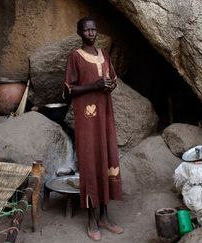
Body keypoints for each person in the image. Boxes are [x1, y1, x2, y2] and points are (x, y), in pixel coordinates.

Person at [64, 16, 123, 241]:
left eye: (94, 29)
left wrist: (109, 84)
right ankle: (90, 218)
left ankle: (104, 216)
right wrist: (94, 86)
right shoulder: (75, 57)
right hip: (87, 119)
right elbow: (70, 89)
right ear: (79, 33)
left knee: (107, 158)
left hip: (105, 115)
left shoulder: (104, 55)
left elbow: (112, 79)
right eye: (87, 30)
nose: (91, 33)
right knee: (89, 162)